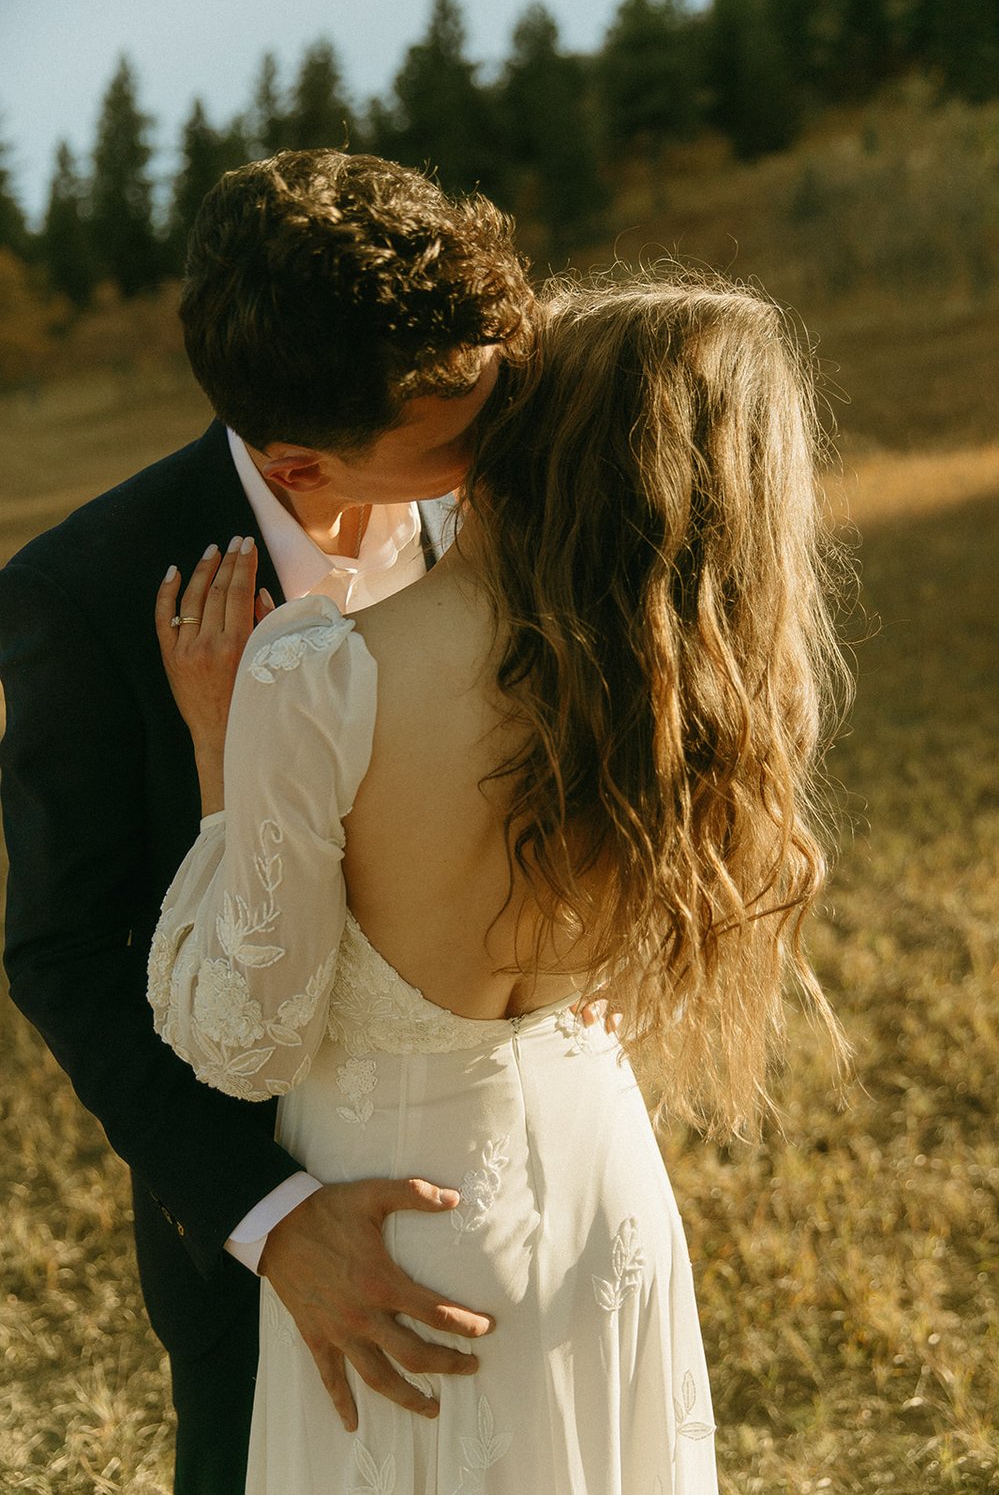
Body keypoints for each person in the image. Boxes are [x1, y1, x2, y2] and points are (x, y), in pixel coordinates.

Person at [148, 273, 850, 1492]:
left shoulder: (315, 670)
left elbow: (242, 1041)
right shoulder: (671, 687)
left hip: (394, 1241)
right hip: (599, 1193)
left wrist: (222, 769)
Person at [0, 149, 535, 1493]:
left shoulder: (513, 506)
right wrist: (271, 1219)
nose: (505, 423)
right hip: (270, 1242)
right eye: (460, 419)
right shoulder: (87, 595)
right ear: (300, 461)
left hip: (511, 1167)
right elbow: (63, 953)